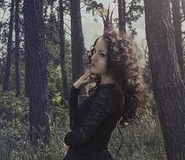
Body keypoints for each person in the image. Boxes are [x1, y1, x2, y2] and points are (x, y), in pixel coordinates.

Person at [63, 19, 147, 160]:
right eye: (95, 51)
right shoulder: (105, 91)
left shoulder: (108, 95)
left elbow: (79, 137)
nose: (93, 58)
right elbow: (76, 126)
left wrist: (68, 140)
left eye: (102, 54)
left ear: (116, 59)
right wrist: (75, 89)